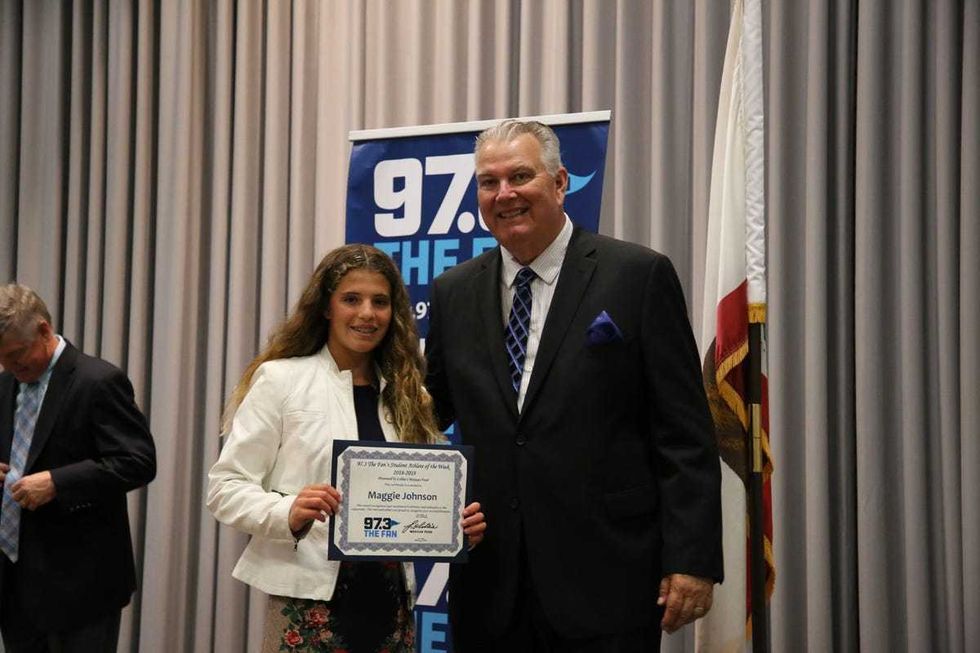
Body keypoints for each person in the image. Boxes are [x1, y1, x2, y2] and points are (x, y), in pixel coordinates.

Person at [424, 120, 723, 652]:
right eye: (488, 182)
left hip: (607, 578)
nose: (505, 194)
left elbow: (684, 432)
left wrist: (691, 560)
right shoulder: (453, 291)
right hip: (491, 583)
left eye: (520, 176)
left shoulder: (636, 274)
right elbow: (424, 415)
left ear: (560, 183)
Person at [208, 244, 486, 653]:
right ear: (326, 307)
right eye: (351, 299)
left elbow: (429, 496)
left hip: (391, 605)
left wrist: (456, 526)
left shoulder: (411, 396)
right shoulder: (280, 380)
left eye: (380, 302)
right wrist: (288, 511)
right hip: (306, 600)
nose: (367, 314)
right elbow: (225, 488)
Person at [0, 284, 156, 652]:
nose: (11, 366)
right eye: (2, 360)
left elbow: (138, 462)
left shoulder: (98, 381)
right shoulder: (7, 383)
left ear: (43, 330)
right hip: (15, 582)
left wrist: (58, 482)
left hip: (82, 584)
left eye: (17, 355)